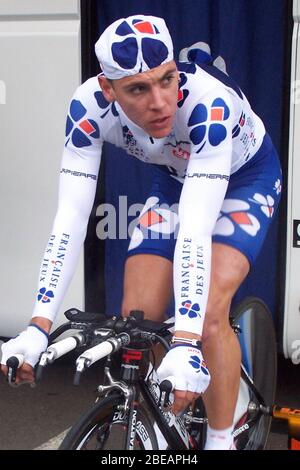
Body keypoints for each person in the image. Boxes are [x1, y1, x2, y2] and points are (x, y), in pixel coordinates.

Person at [1, 15, 282, 450]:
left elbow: (194, 228)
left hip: (245, 177)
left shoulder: (208, 106)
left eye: (167, 79)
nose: (160, 102)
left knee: (207, 316)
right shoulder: (87, 110)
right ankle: (166, 425)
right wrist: (37, 326)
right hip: (174, 181)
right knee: (137, 321)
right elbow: (71, 220)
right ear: (107, 89)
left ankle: (222, 439)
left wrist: (187, 341)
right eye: (138, 89)